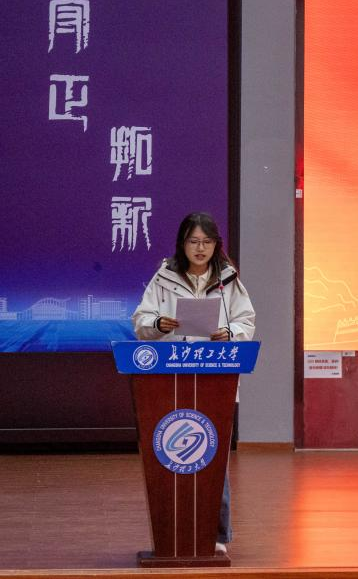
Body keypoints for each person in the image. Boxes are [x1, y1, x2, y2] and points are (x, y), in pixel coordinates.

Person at [131, 212, 255, 555]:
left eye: (207, 242)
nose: (200, 248)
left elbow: (246, 322)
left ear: (216, 245)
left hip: (216, 380)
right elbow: (140, 322)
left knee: (212, 456)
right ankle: (172, 532)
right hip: (170, 379)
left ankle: (216, 535)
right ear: (182, 244)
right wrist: (159, 323)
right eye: (193, 241)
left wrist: (230, 333)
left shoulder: (228, 280)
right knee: (171, 455)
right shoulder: (164, 278)